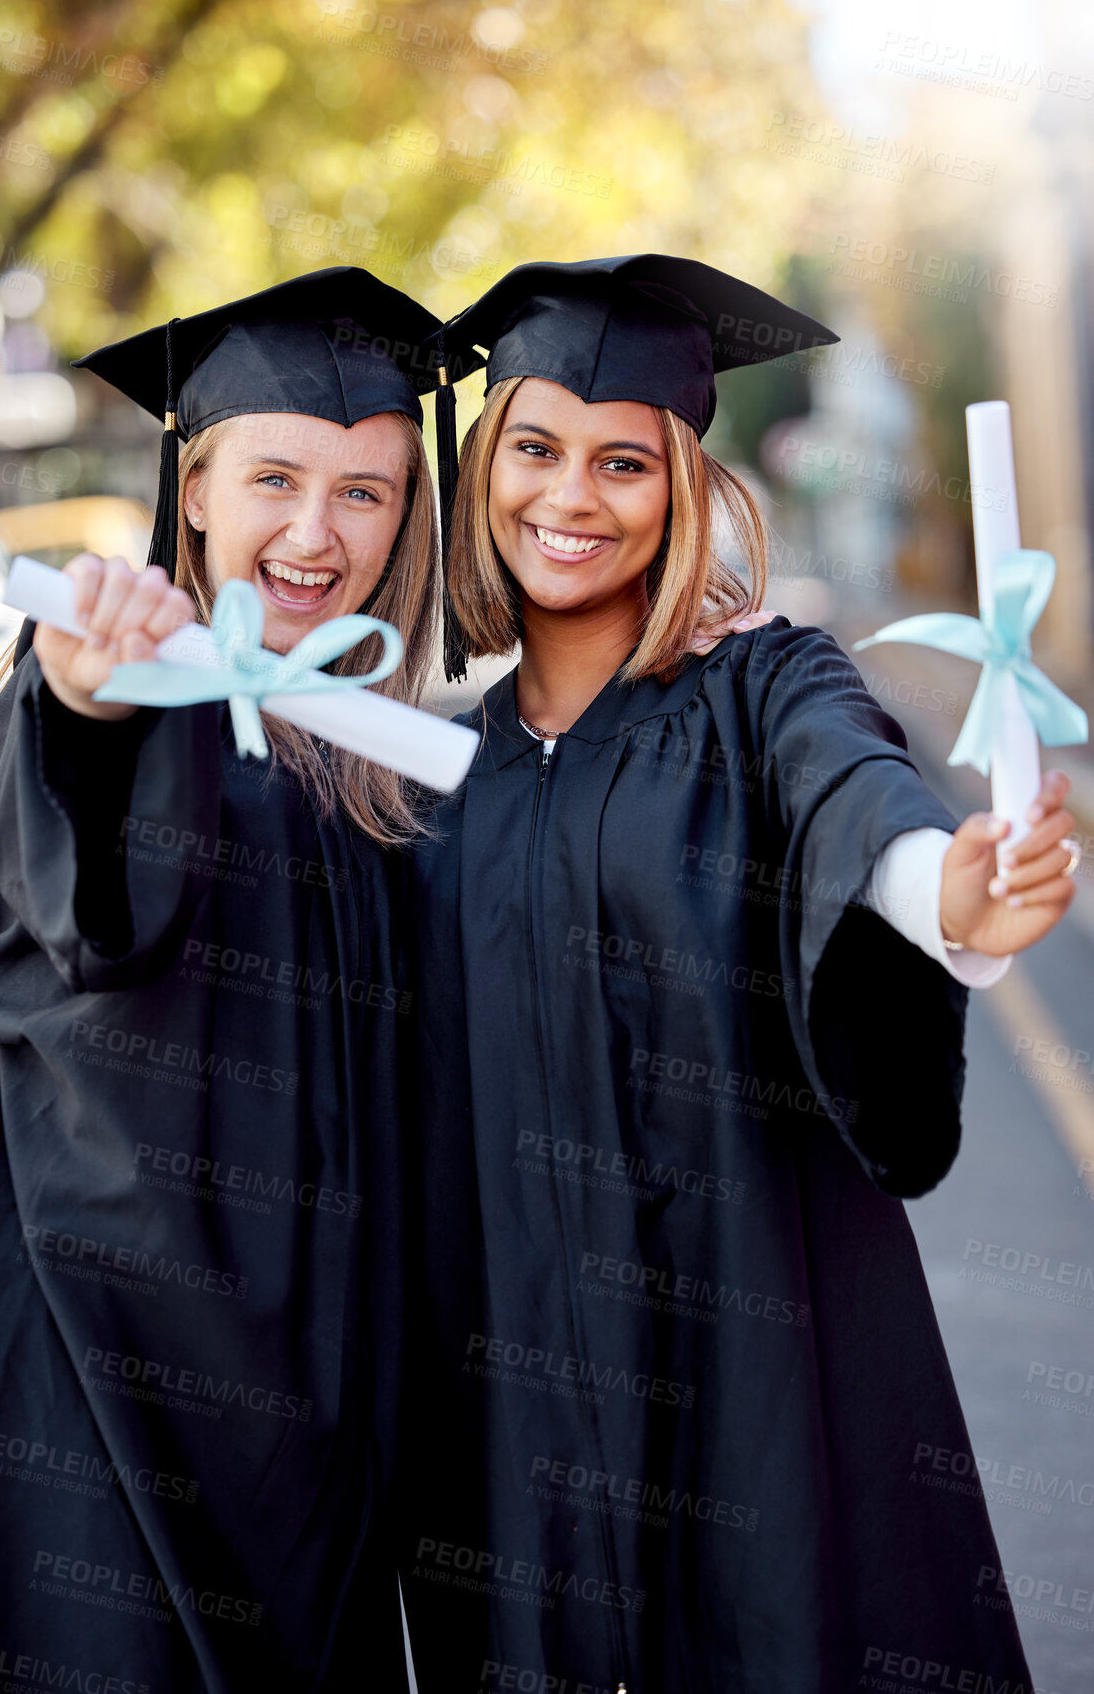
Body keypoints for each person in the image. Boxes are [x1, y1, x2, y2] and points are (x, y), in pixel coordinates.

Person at [395, 257, 1077, 1693]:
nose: (569, 497)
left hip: (758, 1346)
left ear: (684, 484)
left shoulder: (763, 687)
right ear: (480, 466)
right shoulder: (439, 784)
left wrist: (940, 888)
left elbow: (852, 797)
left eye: (622, 461)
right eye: (533, 449)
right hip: (515, 1397)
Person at [0, 267, 448, 1693]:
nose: (314, 531)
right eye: (274, 478)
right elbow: (74, 904)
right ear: (193, 487)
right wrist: (92, 702)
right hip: (78, 1329)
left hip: (309, 1366)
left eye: (366, 492)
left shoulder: (400, 759)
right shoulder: (120, 675)